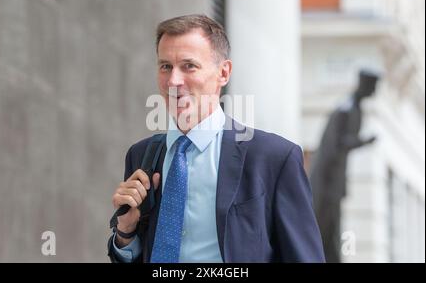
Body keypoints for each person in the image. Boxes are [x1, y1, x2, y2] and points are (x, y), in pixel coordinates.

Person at [107, 14, 325, 263]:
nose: (173, 81)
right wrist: (125, 232)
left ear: (223, 72)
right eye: (165, 66)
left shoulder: (274, 158)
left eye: (189, 66)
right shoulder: (141, 155)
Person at [310, 69, 379, 263]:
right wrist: (363, 142)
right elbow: (336, 144)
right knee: (323, 229)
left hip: (334, 184)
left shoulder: (354, 108)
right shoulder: (346, 109)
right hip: (326, 182)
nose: (373, 92)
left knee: (332, 232)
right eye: (372, 87)